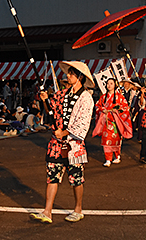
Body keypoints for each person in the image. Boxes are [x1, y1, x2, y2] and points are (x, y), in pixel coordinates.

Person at [30, 61, 94, 223]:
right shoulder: (63, 94)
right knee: (52, 177)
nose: (68, 75)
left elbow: (82, 123)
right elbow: (51, 108)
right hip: (56, 144)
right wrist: (45, 99)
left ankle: (78, 209)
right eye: (69, 73)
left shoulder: (86, 98)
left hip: (74, 144)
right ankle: (47, 211)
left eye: (72, 73)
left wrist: (64, 132)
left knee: (76, 179)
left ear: (80, 77)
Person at [92, 78, 133, 167]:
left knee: (116, 141)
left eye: (111, 83)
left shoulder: (120, 97)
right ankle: (108, 159)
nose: (109, 85)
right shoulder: (103, 97)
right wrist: (103, 110)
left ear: (115, 85)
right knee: (106, 141)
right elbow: (97, 107)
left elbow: (125, 108)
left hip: (116, 123)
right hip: (106, 122)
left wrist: (116, 111)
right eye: (108, 83)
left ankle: (117, 156)